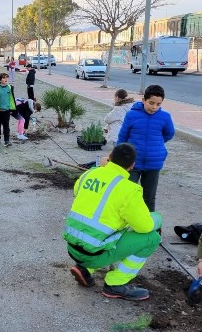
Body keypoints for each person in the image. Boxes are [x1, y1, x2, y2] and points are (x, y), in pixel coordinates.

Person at [63, 143, 162, 301]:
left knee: (104, 229)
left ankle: (85, 268)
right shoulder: (129, 189)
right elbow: (145, 227)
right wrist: (157, 218)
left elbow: (77, 191)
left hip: (72, 248)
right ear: (132, 166)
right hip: (93, 253)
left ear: (108, 158)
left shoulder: (90, 174)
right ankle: (115, 284)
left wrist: (100, 168)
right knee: (152, 238)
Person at [117, 85, 174, 213]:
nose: (154, 107)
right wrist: (117, 157)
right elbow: (123, 136)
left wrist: (157, 144)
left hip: (153, 163)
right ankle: (124, 223)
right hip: (132, 163)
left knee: (149, 197)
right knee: (127, 195)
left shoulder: (165, 117)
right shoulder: (131, 115)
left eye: (158, 104)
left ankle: (150, 227)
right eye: (151, 103)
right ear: (143, 100)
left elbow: (169, 134)